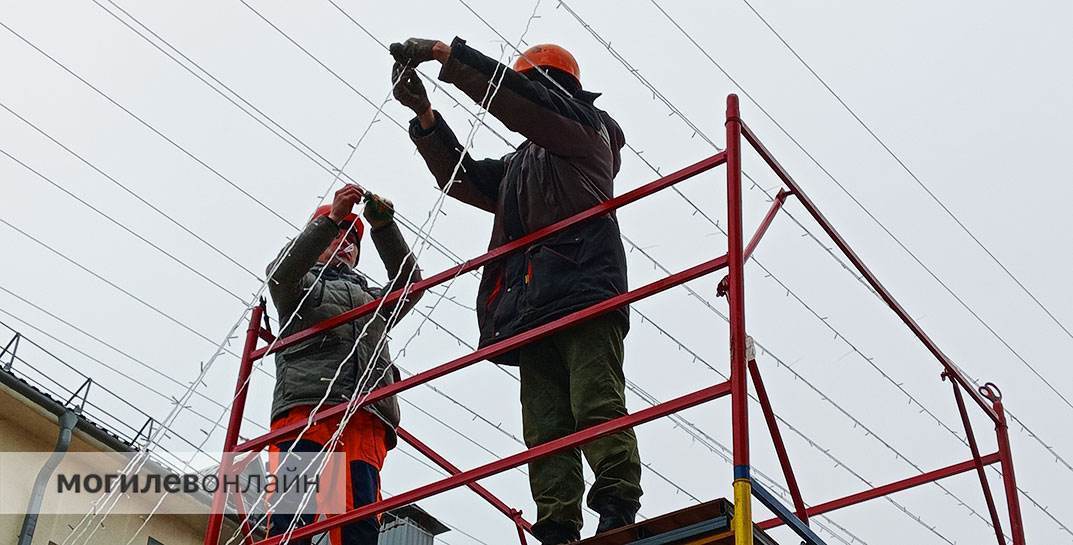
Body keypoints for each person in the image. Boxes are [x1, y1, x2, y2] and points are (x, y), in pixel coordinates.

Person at [390, 38, 640, 544]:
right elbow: (463, 179)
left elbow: (522, 104)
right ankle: (557, 523)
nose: (528, 92)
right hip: (533, 306)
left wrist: (446, 55)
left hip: (586, 290)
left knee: (595, 401)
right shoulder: (522, 163)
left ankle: (617, 503)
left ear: (557, 88)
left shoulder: (586, 130)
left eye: (533, 83)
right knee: (546, 424)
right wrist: (426, 118)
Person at [265, 184, 421, 545]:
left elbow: (411, 285)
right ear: (317, 241)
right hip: (308, 413)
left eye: (354, 239)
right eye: (339, 235)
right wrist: (331, 219)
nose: (347, 243)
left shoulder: (371, 300)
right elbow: (281, 273)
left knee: (359, 526)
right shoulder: (301, 287)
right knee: (291, 519)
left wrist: (384, 229)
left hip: (364, 421)